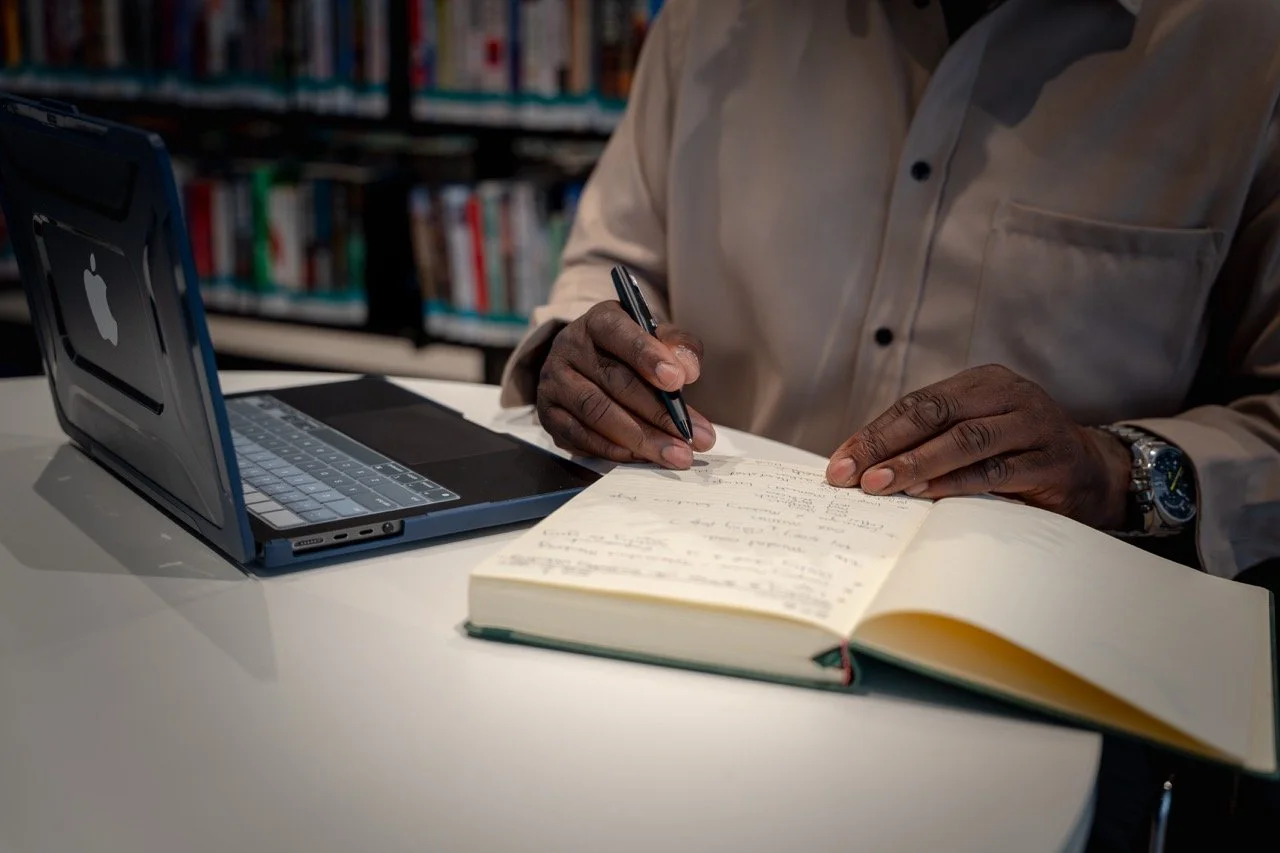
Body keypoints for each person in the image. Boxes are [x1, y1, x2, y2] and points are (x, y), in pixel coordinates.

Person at [500, 2, 1280, 848]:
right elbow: (610, 260)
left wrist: (1113, 467)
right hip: (688, 635)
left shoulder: (1247, 43)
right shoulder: (714, 18)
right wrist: (580, 353)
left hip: (1038, 704)